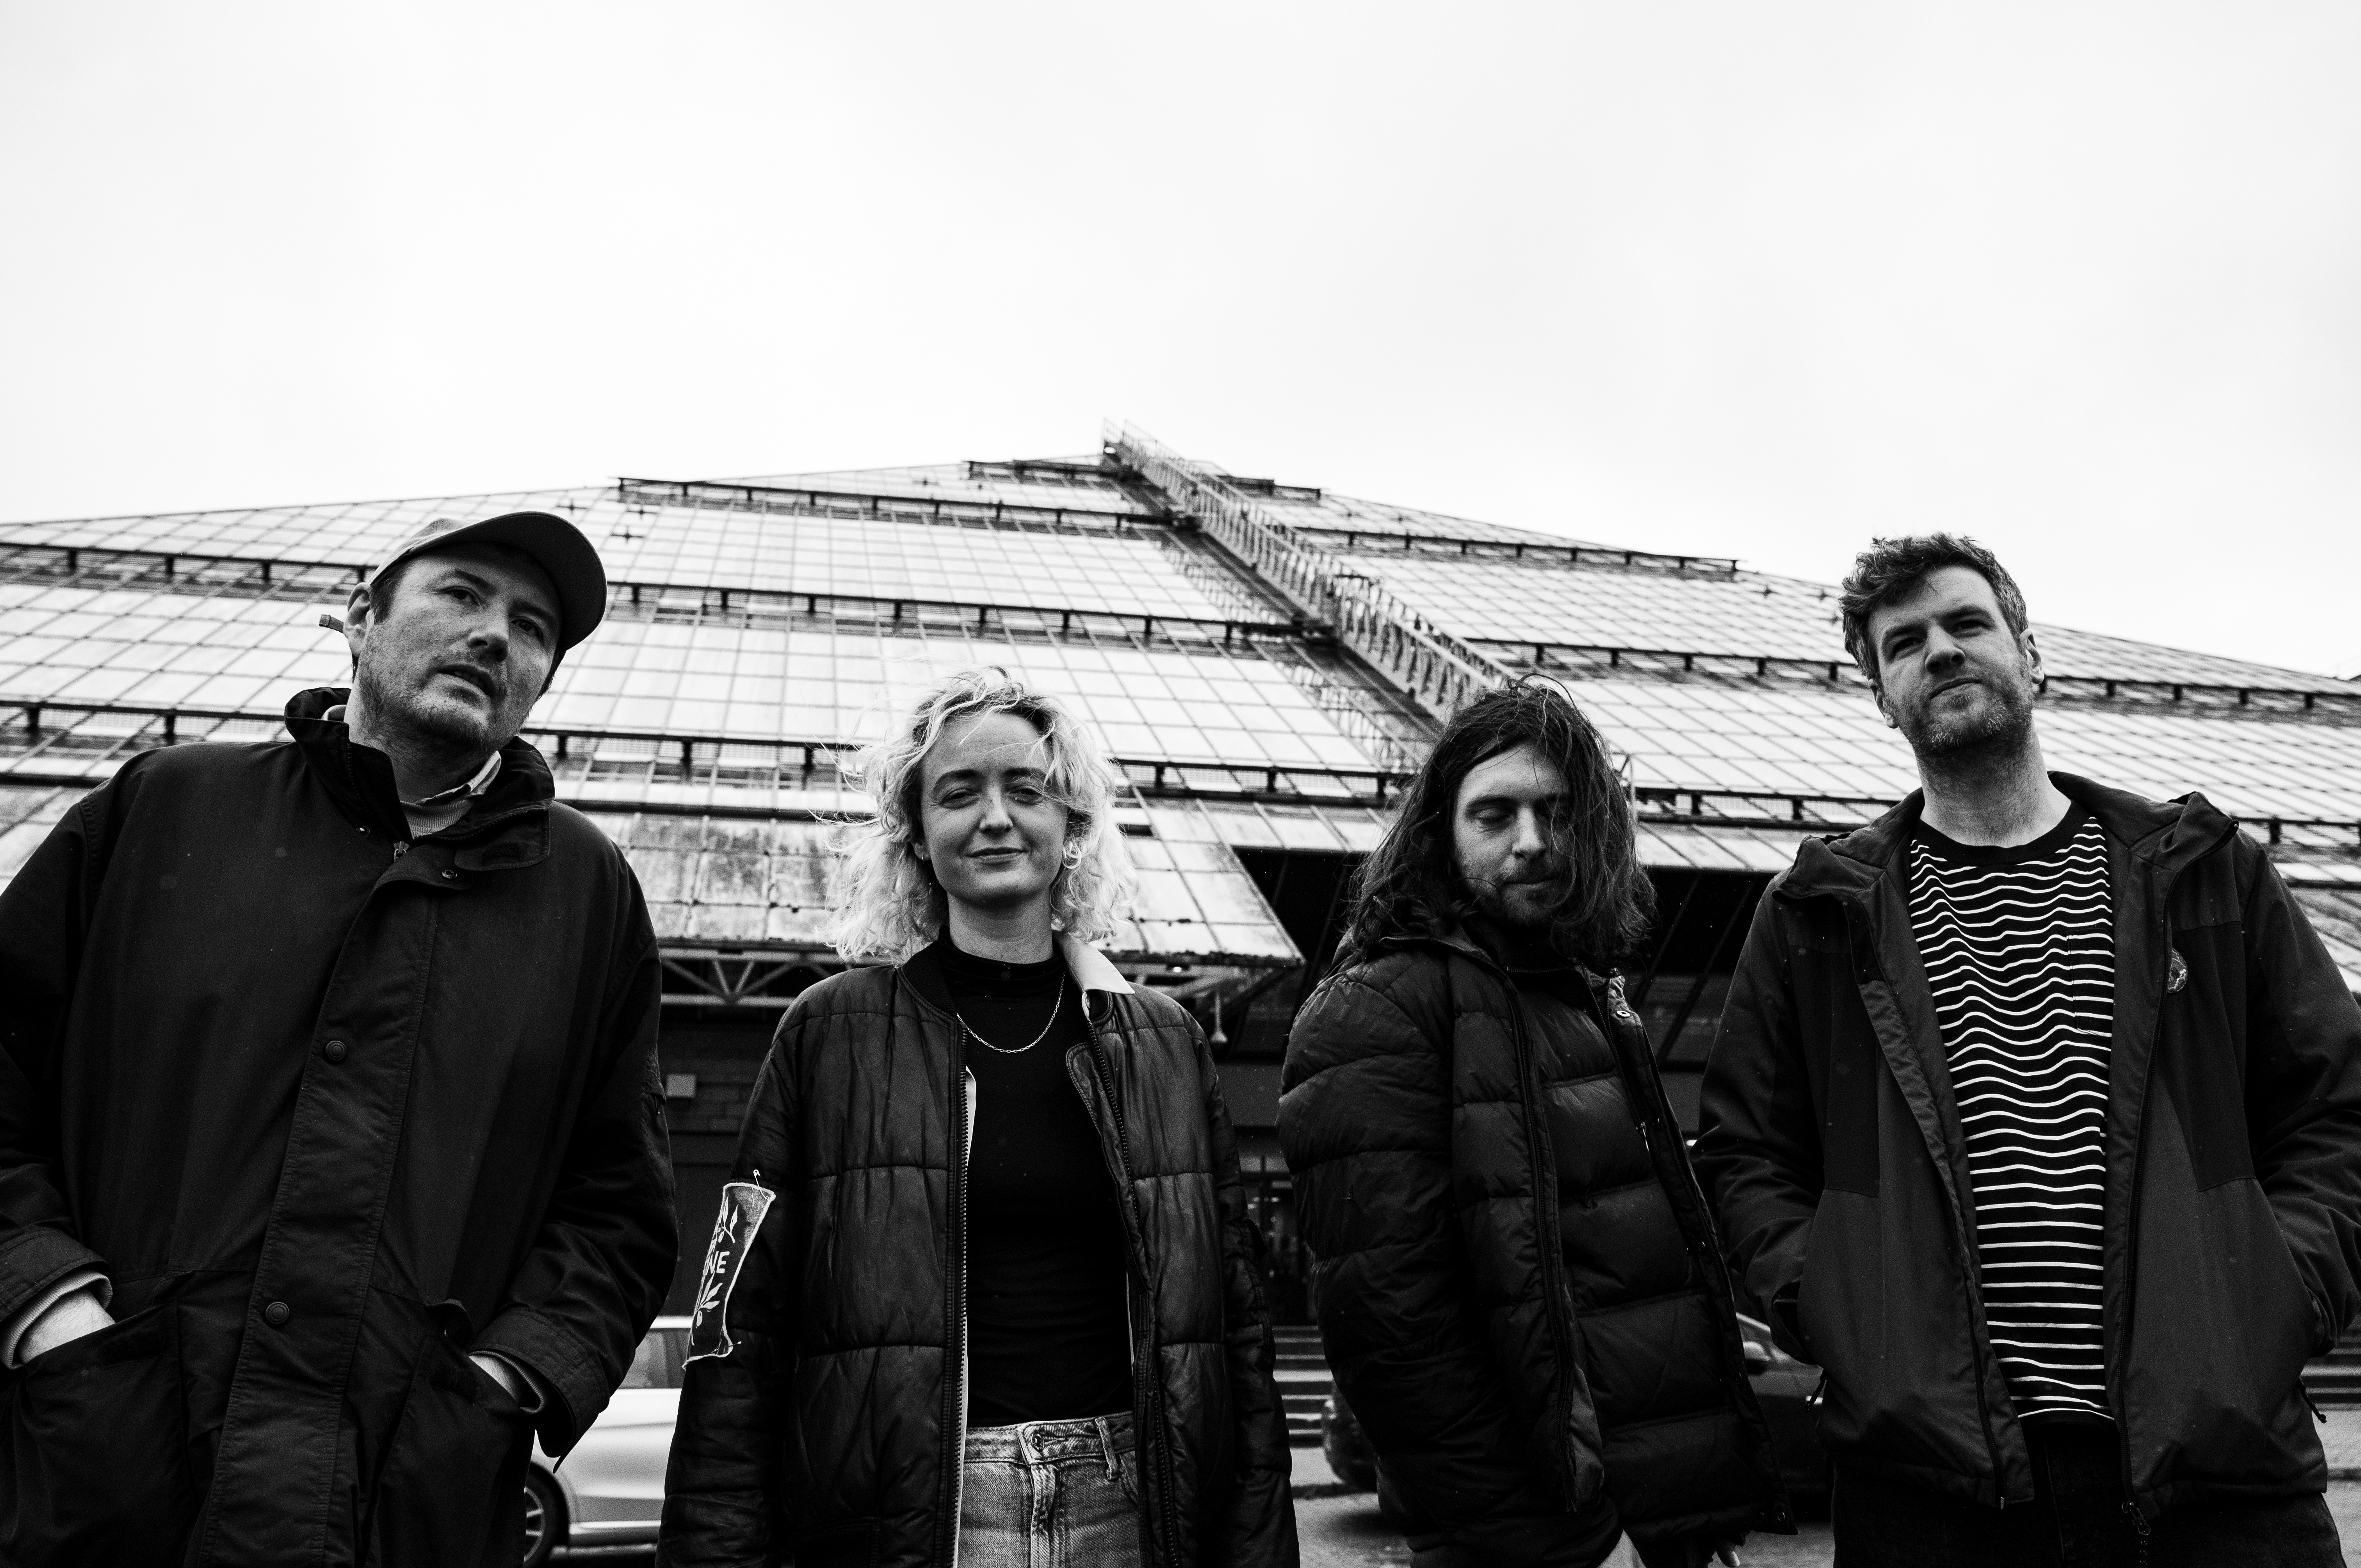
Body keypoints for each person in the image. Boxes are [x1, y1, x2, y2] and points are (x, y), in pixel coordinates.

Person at [0, 511, 679, 1567]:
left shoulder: (588, 896)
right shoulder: (165, 809)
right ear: (361, 619)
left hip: (408, 1509)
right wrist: (46, 1307)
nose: (498, 635)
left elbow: (618, 1209)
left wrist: (502, 1383)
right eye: (461, 595)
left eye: (535, 626)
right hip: (105, 1482)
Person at [1693, 533, 2361, 1566]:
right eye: (1904, 643)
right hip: (1930, 1493)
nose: (1942, 652)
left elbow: (2335, 1114)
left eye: (1968, 624)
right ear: (1881, 696)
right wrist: (1829, 1304)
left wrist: (2278, 1296)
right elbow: (1745, 1157)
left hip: (2220, 1477)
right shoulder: (1816, 918)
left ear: (2029, 653)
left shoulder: (2205, 876)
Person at [659, 670, 1296, 1568]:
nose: (995, 815)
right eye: (958, 793)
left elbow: (1236, 1326)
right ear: (917, 835)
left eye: (1025, 789)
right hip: (915, 1517)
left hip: (1137, 1502)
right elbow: (738, 1326)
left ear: (1070, 824)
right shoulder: (830, 1031)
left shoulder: (1166, 1042)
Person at [1279, 680, 1786, 1568]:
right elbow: (1395, 1333)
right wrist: (1572, 1545)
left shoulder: (1584, 992)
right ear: (1441, 833)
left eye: (1557, 811)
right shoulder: (1380, 1007)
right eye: (1495, 814)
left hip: (1656, 1523)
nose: (1532, 841)